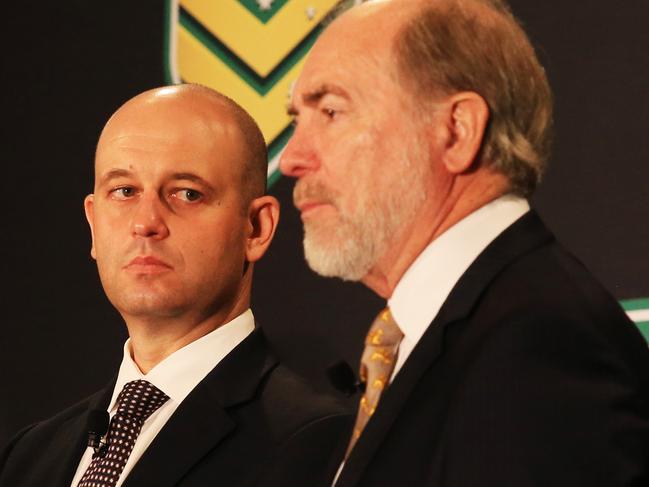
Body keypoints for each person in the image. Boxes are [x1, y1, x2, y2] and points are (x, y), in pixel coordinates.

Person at [279, 0, 649, 486]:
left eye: (330, 111)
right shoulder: (461, 332)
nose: (289, 159)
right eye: (295, 119)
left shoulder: (536, 351)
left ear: (456, 130)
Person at [0, 84, 350, 487]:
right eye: (124, 191)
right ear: (94, 225)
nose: (146, 221)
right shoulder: (29, 457)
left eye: (187, 193)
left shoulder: (318, 444)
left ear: (255, 228)